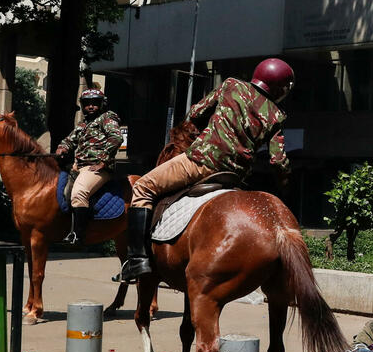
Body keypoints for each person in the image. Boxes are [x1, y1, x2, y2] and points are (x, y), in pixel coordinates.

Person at [115, 58, 295, 282]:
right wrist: (285, 185)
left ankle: (137, 260)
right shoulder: (277, 116)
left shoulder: (232, 85)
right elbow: (278, 161)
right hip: (235, 176)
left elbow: (196, 111)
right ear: (281, 88)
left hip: (201, 163)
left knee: (143, 187)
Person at [54, 88, 123, 245]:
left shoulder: (107, 118)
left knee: (79, 193)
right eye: (87, 104)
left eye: (95, 103)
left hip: (98, 168)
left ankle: (79, 235)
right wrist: (62, 147)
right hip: (78, 167)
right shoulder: (83, 124)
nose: (91, 107)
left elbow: (116, 137)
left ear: (102, 104)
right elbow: (69, 140)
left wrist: (103, 161)